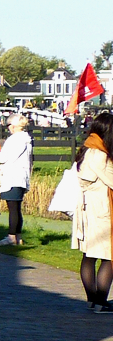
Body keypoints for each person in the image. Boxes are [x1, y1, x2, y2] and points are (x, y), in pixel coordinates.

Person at [72, 112, 113, 312]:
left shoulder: (87, 149)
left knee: (89, 255)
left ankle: (92, 299)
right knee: (109, 255)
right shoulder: (100, 154)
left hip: (88, 208)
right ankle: (101, 301)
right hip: (101, 209)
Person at [0, 113, 33, 246]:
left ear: (13, 126)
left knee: (13, 208)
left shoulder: (15, 140)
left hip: (13, 177)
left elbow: (4, 158)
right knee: (17, 208)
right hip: (22, 177)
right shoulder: (27, 139)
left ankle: (11, 237)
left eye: (9, 125)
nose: (8, 128)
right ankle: (18, 237)